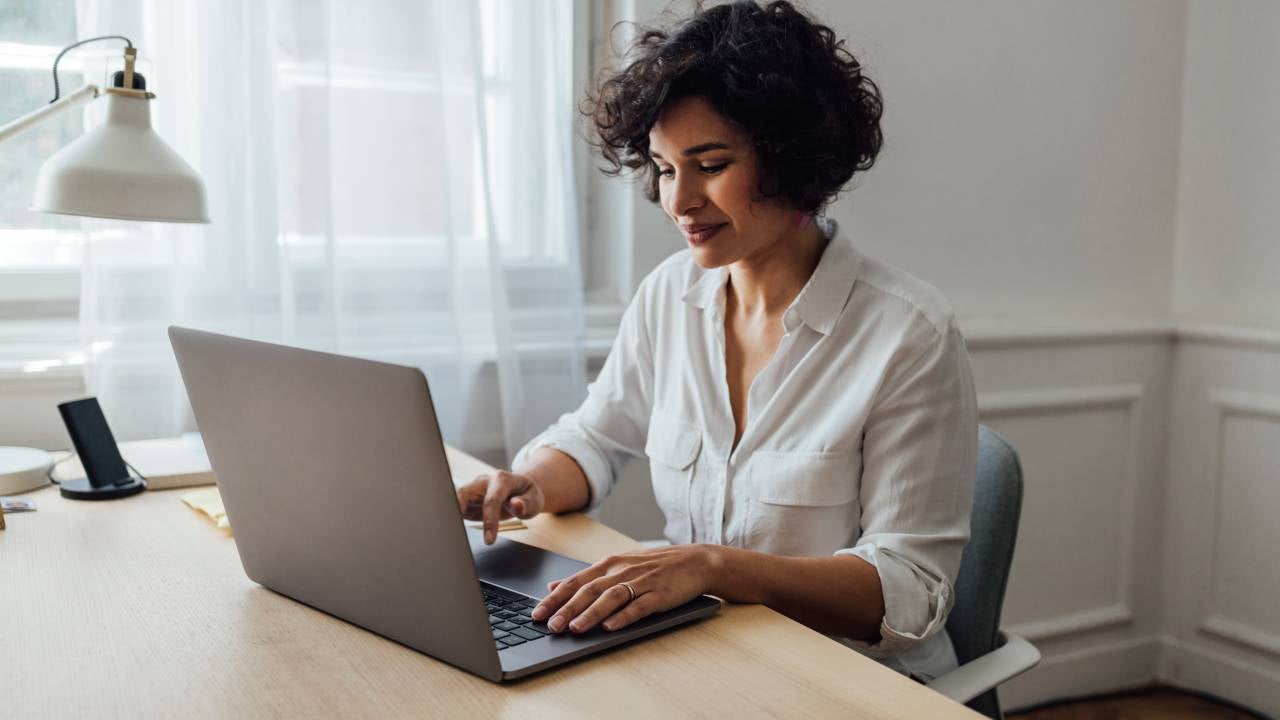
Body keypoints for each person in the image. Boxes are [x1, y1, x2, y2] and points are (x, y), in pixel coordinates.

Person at [456, 0, 977, 683]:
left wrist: (714, 567)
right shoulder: (670, 296)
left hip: (851, 680)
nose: (679, 201)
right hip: (710, 655)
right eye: (667, 169)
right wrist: (525, 485)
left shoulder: (908, 335)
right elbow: (596, 437)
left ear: (792, 161)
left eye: (709, 164)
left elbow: (910, 589)